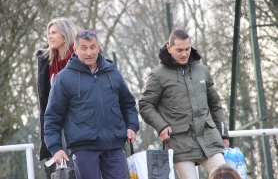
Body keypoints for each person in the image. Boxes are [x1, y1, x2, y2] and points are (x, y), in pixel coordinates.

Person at [44, 30, 139, 179]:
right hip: (83, 148)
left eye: (92, 47)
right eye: (84, 48)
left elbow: (128, 104)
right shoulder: (63, 79)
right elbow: (52, 117)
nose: (89, 52)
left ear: (98, 47)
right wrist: (55, 148)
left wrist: (132, 126)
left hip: (114, 145)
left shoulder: (113, 72)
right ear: (75, 49)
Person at [139, 28, 229, 179]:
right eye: (179, 50)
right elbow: (145, 105)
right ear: (169, 48)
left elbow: (215, 104)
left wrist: (223, 133)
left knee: (226, 176)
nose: (184, 54)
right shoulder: (158, 75)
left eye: (187, 49)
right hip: (180, 143)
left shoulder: (201, 70)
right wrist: (161, 126)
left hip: (209, 138)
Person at [35, 17, 78, 178]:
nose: (49, 36)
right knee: (61, 171)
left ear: (65, 35)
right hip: (57, 124)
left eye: (54, 33)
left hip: (78, 123)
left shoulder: (80, 57)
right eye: (49, 33)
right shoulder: (47, 61)